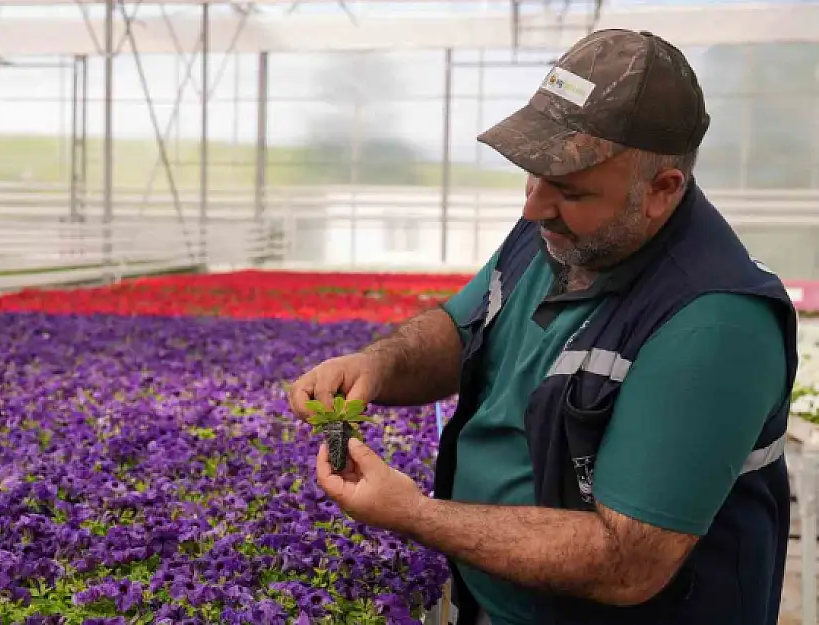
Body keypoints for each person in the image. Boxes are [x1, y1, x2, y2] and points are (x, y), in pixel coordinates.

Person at [287, 28, 799, 625]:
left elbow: (627, 562)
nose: (533, 206)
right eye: (534, 174)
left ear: (661, 191)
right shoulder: (564, 230)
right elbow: (460, 328)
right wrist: (378, 365)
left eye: (569, 188)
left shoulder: (712, 325)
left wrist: (414, 514)